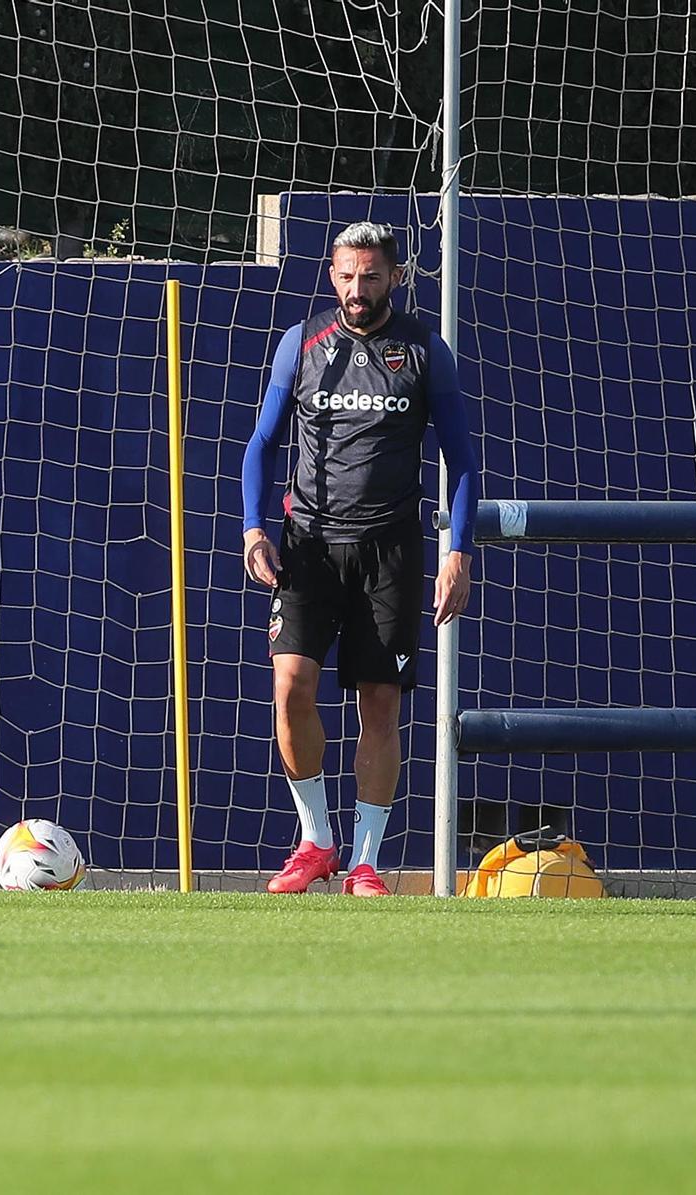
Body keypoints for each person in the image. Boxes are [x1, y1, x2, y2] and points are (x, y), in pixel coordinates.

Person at [240, 221, 480, 896]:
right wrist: (253, 530)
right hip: (309, 547)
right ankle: (316, 840)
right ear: (331, 276)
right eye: (346, 275)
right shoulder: (303, 343)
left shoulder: (426, 349)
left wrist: (456, 550)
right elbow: (261, 444)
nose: (357, 288)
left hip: (391, 551)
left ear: (394, 277)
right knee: (291, 688)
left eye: (370, 275)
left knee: (380, 703)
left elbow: (461, 459)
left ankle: (366, 860)